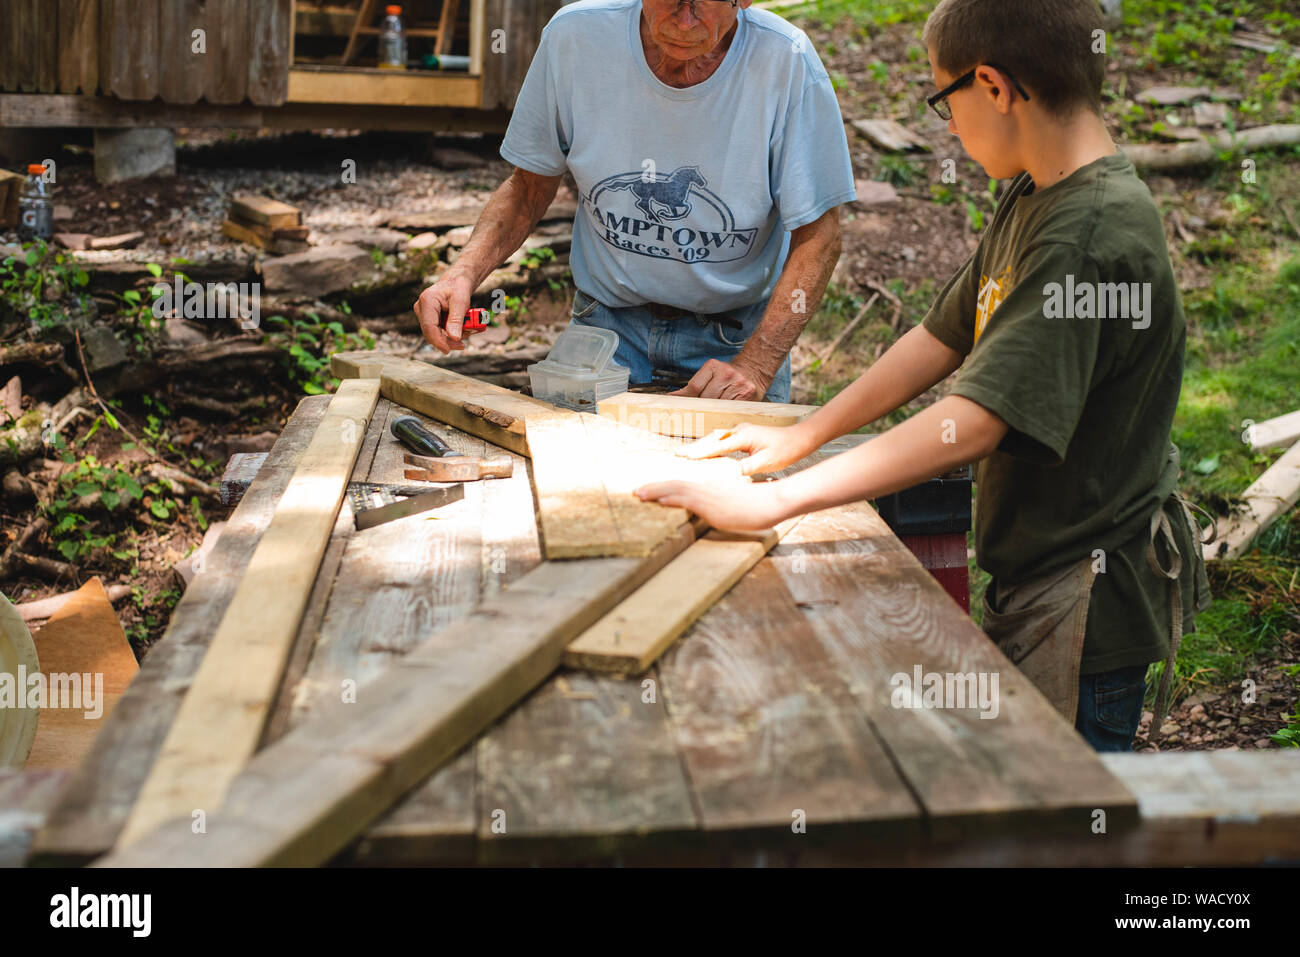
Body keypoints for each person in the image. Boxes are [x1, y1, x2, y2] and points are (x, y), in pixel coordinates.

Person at [636, 0, 1211, 752]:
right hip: (1041, 570)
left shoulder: (1087, 235)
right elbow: (943, 335)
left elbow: (972, 422)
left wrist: (772, 504)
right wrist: (801, 436)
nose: (946, 125)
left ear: (996, 88)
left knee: (1057, 822)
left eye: (945, 98)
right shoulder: (1042, 187)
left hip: (1086, 603)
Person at [413, 0, 856, 402]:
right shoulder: (576, 39)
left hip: (735, 336)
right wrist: (463, 273)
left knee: (739, 484)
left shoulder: (786, 60)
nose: (685, 19)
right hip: (607, 325)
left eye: (704, 1)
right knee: (575, 474)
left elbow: (819, 234)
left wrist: (755, 366)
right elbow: (527, 188)